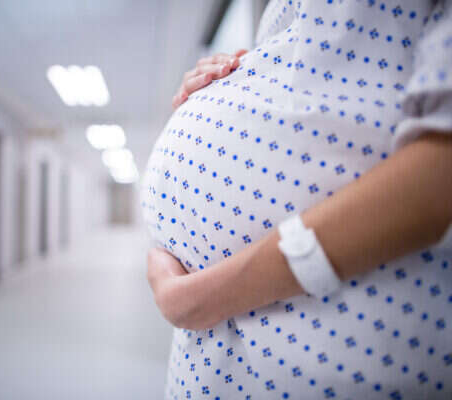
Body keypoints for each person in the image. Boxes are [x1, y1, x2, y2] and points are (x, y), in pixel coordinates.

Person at [140, 0, 452, 399]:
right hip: (217, 360)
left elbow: (438, 177)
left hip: (343, 349)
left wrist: (200, 299)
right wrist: (239, 73)